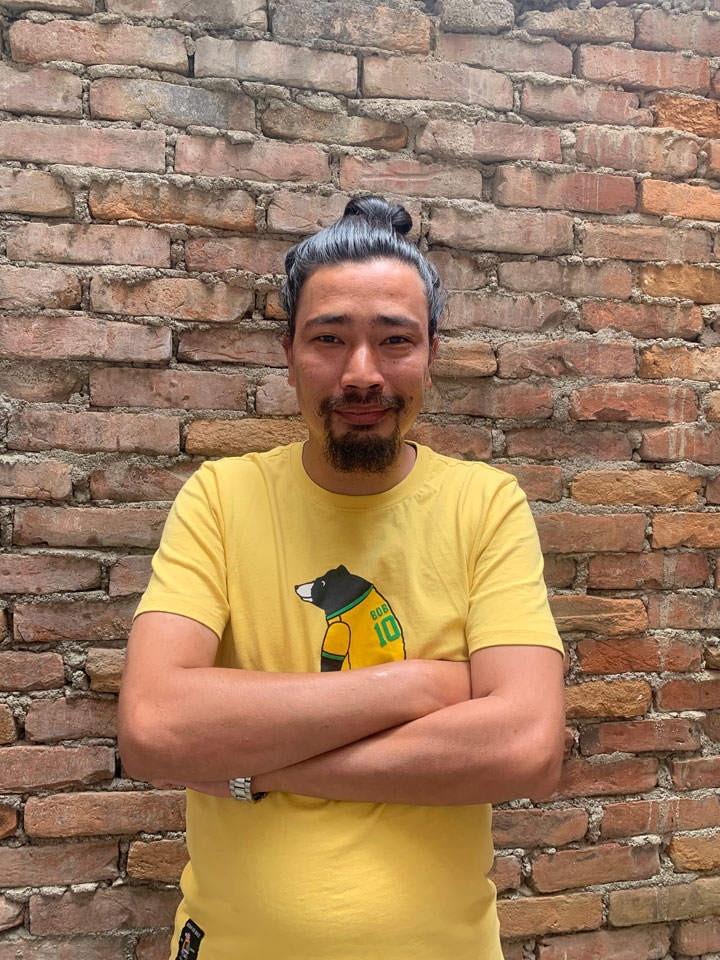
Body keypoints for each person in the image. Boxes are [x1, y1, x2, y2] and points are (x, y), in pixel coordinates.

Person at [118, 196, 566, 960]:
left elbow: (526, 746)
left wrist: (254, 770)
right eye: (329, 339)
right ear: (288, 353)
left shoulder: (486, 505)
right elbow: (155, 728)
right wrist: (419, 687)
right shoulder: (221, 499)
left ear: (431, 353)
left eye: (395, 341)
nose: (363, 373)